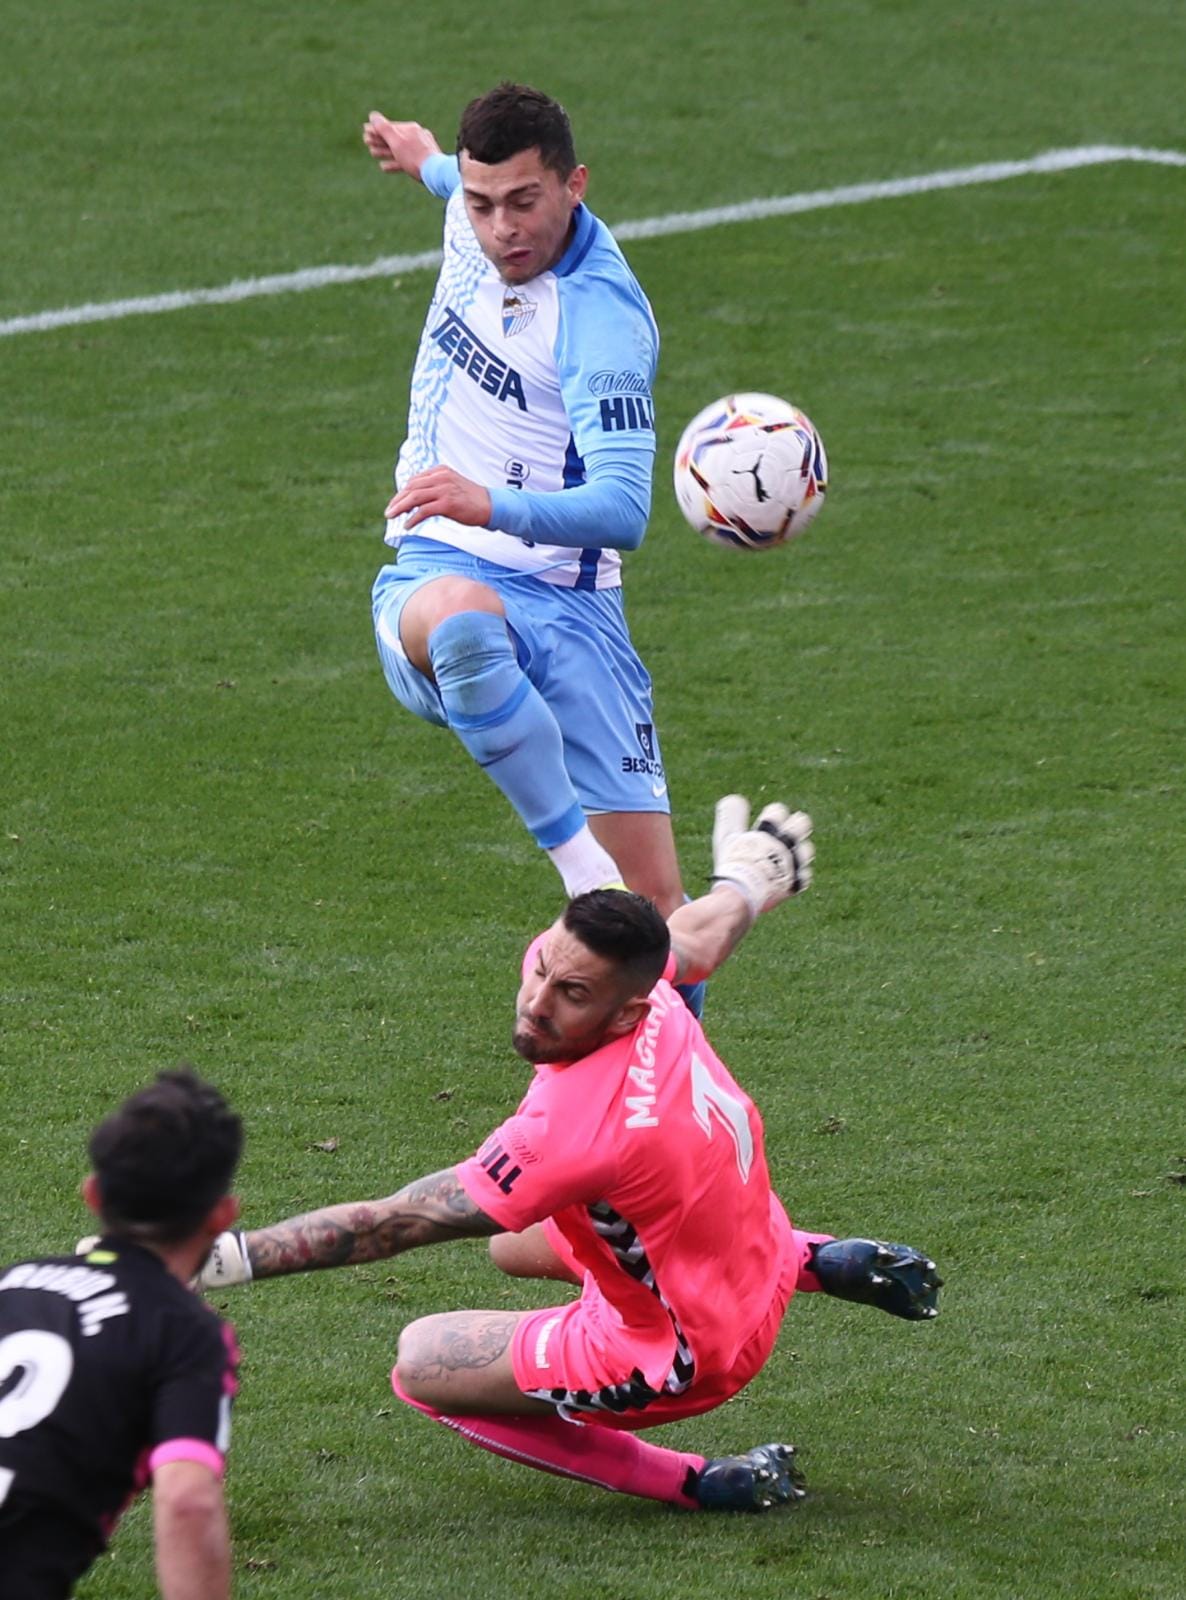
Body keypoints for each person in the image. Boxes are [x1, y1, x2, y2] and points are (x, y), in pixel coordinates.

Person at [199, 799, 941, 1513]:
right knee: (512, 1248)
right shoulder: (657, 993)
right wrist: (752, 877)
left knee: (422, 1361)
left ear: (627, 1012)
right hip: (757, 1259)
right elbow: (701, 937)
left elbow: (393, 1223)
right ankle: (827, 1261)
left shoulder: (572, 1135)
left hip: (690, 1354)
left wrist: (219, 1258)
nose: (536, 1000)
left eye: (571, 992)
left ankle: (703, 1482)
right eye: (543, 968)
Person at [362, 85, 692, 957]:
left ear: (574, 185)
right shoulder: (473, 219)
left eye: (523, 202)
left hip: (575, 606)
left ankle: (669, 1092)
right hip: (440, 562)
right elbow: (455, 182)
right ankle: (583, 873)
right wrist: (422, 158)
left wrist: (489, 501)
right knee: (465, 622)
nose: (500, 228)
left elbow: (624, 510)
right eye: (481, 204)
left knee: (657, 919)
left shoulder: (599, 321)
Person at [0, 1070, 243, 1599]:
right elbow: (187, 1499)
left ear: (93, 1194)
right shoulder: (186, 1333)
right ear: (223, 1215)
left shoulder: (12, 1283)